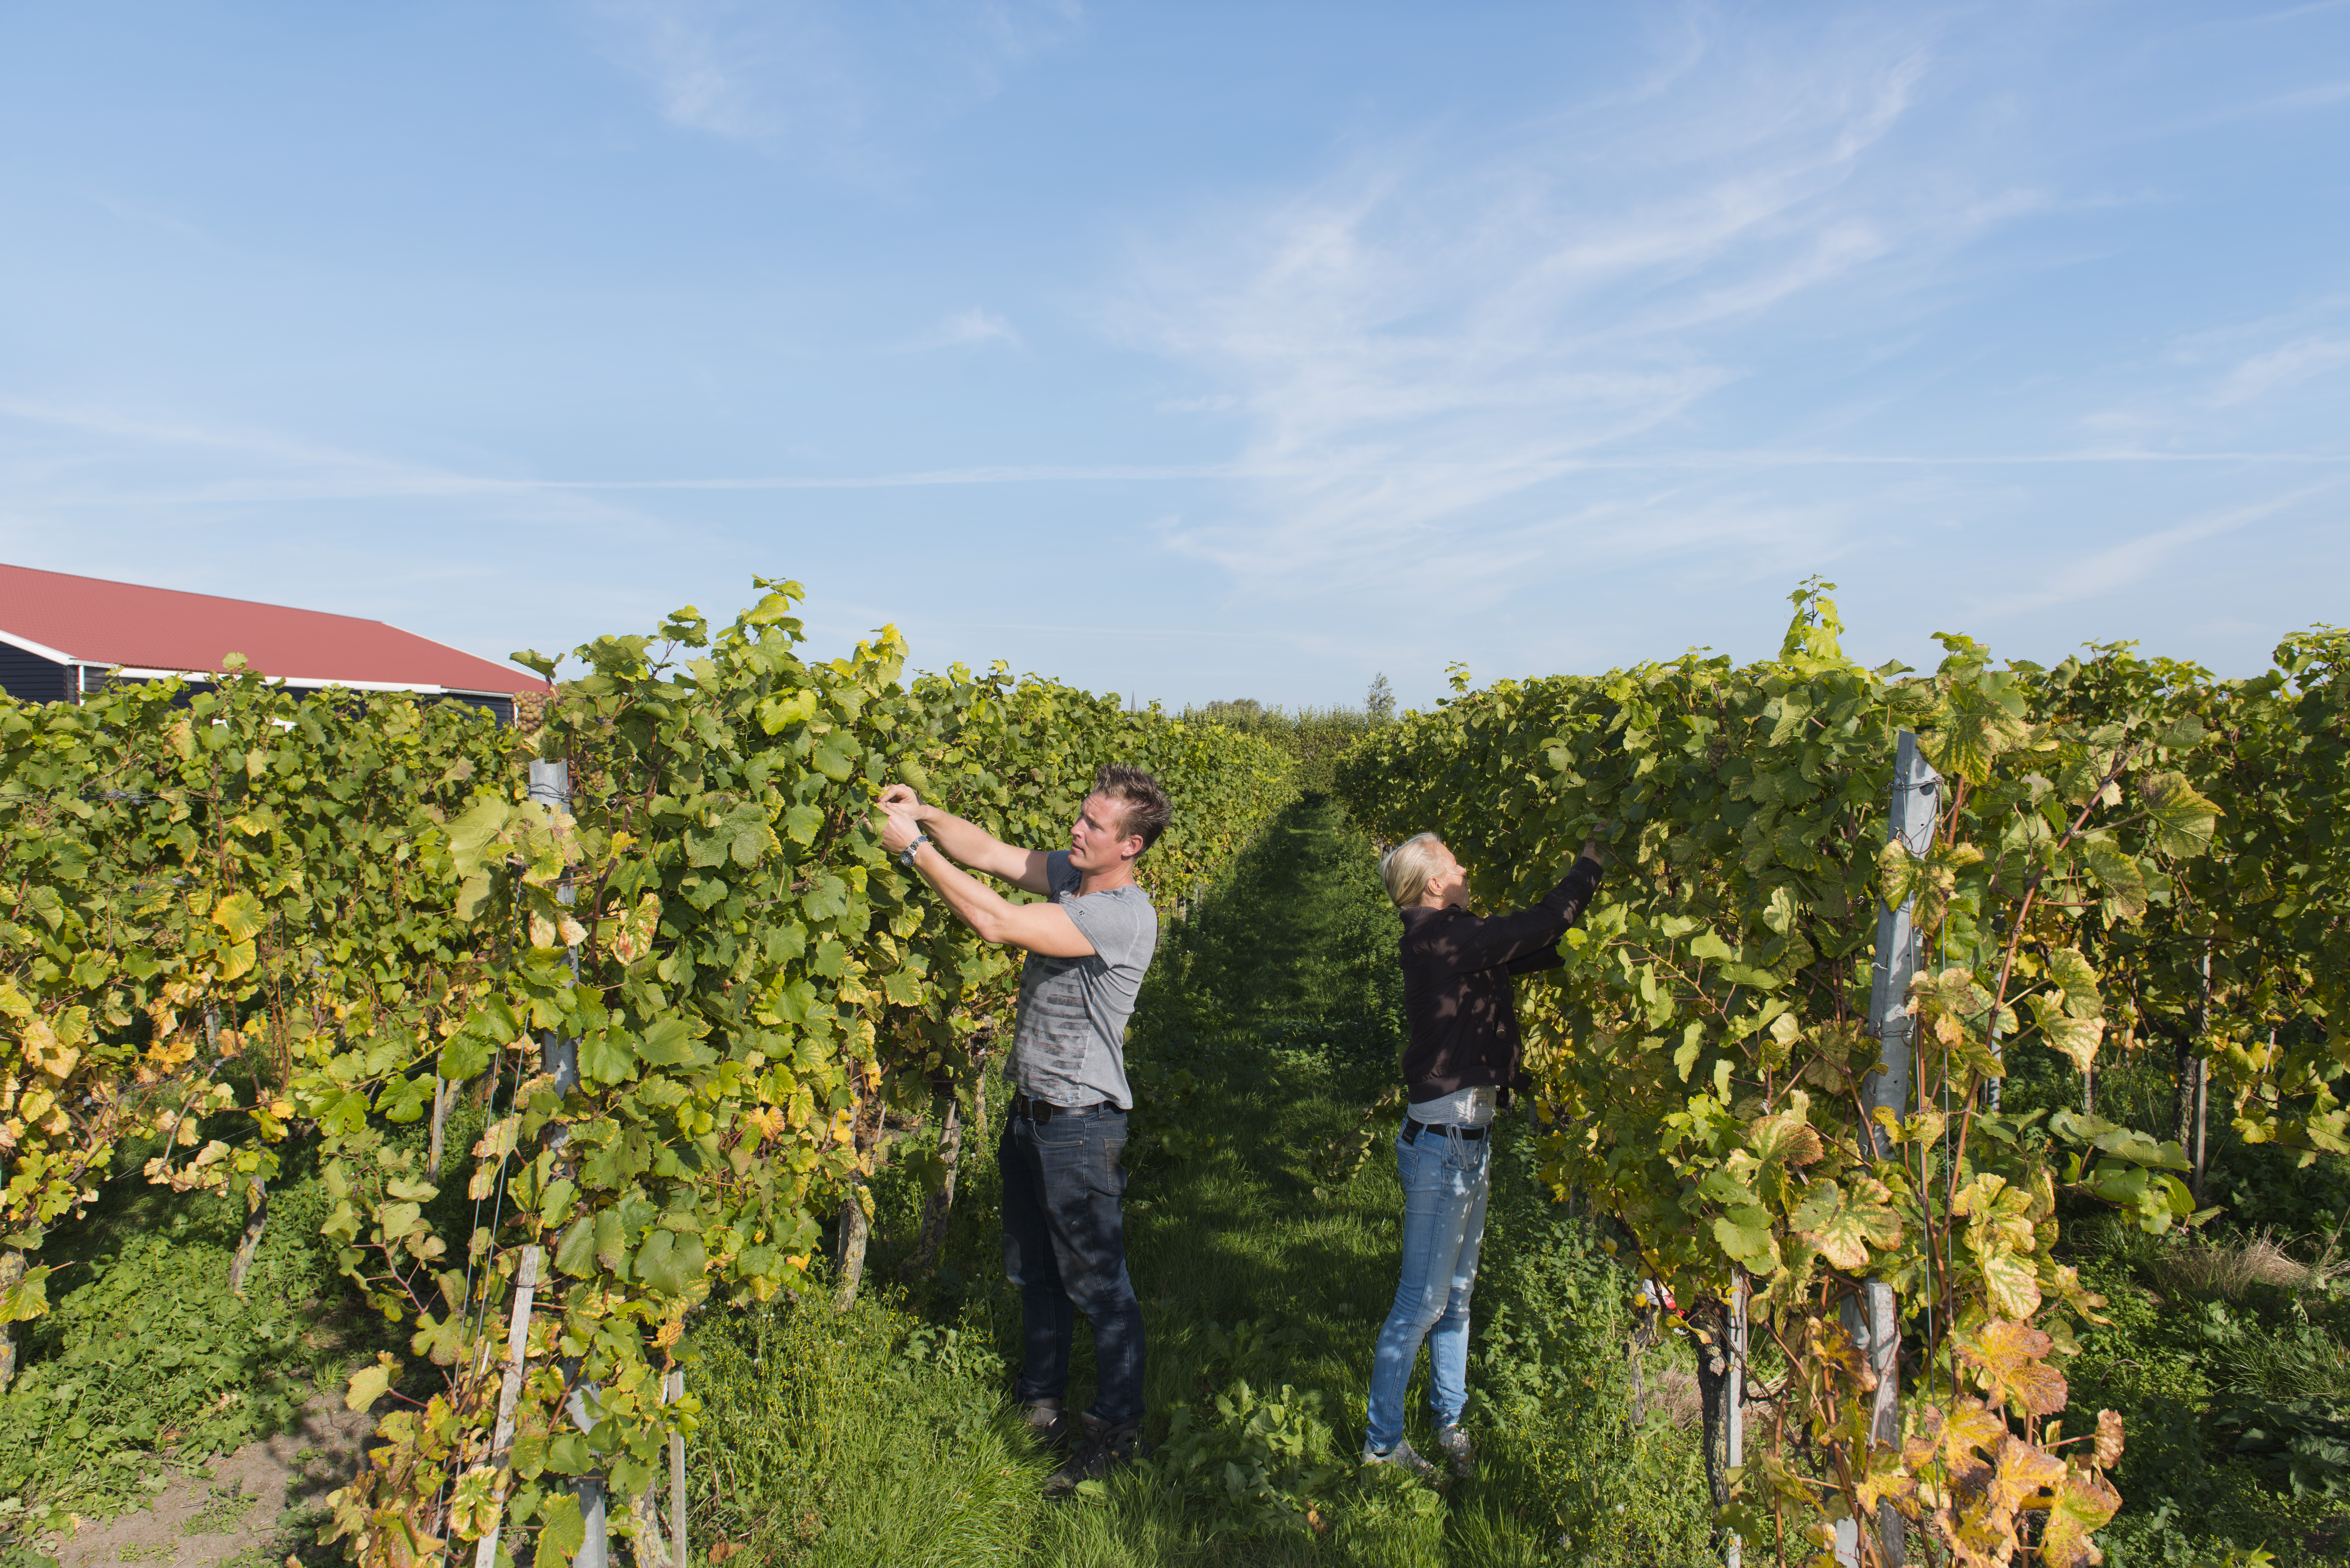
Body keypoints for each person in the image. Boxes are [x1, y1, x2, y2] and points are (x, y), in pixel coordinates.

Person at [873, 765, 1171, 1499]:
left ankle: (1114, 1430)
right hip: (1031, 1111)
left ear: (1131, 845)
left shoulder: (1121, 914)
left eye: (1094, 826)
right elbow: (997, 854)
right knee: (1033, 1273)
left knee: (1100, 1286)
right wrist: (929, 813)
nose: (1078, 829)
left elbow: (997, 920)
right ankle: (1041, 1405)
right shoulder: (1075, 878)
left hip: (1081, 1126)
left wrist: (914, 853)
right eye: (1081, 816)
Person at [1359, 829, 1604, 1483]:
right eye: (1456, 863)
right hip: (1444, 1146)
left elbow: (1544, 944)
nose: (1467, 868)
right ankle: (1382, 1446)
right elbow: (1543, 920)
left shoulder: (1460, 942)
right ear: (1435, 883)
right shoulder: (1440, 938)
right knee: (1421, 1302)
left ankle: (1450, 1423)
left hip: (1469, 1141)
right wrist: (1590, 862)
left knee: (1458, 1297)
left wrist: (1605, 932)